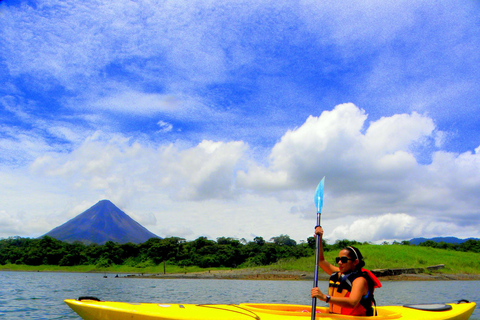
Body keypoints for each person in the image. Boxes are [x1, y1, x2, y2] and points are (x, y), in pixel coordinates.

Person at [310, 226, 381, 316]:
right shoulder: (339, 273)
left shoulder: (360, 281)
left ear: (355, 262)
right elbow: (320, 261)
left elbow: (352, 302)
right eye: (338, 259)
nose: (339, 262)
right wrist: (319, 239)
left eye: (343, 260)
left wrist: (325, 297)